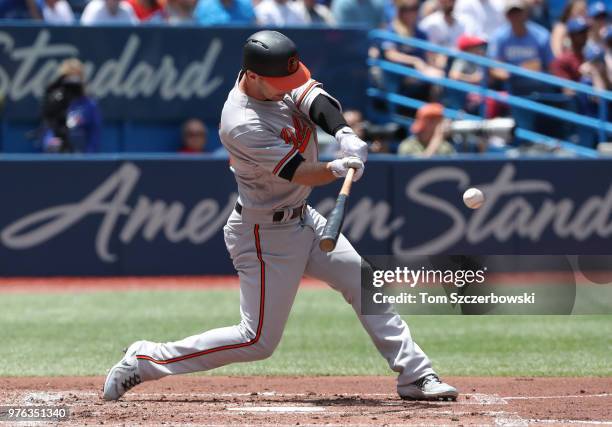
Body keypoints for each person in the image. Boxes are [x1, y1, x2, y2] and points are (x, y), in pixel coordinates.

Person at [103, 30, 458, 403]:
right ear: (252, 76)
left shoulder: (276, 77)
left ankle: (415, 376)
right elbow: (300, 172)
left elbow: (314, 97)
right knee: (256, 340)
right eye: (279, 84)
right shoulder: (240, 122)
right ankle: (145, 359)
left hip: (303, 218)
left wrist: (344, 132)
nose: (287, 88)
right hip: (264, 234)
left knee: (365, 284)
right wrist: (337, 167)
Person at [487, 0, 554, 96]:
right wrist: (519, 70)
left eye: (518, 12)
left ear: (526, 13)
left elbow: (550, 65)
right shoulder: (499, 37)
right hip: (511, 87)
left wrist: (531, 69)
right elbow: (495, 68)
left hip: (538, 85)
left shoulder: (542, 35)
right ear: (506, 16)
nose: (515, 17)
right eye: (511, 13)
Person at [40, 58, 102, 153]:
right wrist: (52, 143)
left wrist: (87, 159)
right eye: (68, 78)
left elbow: (94, 136)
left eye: (76, 78)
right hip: (57, 159)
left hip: (82, 159)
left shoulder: (89, 105)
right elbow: (48, 131)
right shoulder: (55, 102)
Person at [418, 0, 470, 68]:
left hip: (456, 62)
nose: (449, 3)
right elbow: (425, 49)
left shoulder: (462, 22)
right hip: (433, 63)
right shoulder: (429, 22)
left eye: (452, 1)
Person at [551, 17, 589, 85]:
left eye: (586, 31)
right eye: (581, 32)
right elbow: (568, 91)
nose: (585, 35)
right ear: (571, 35)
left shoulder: (592, 56)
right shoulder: (562, 61)